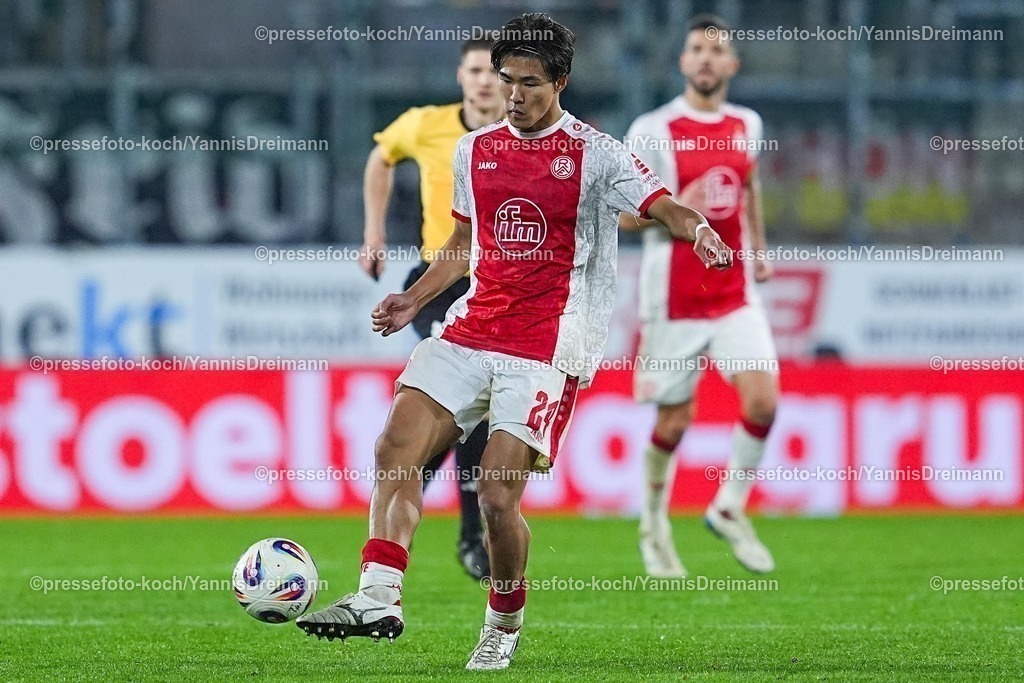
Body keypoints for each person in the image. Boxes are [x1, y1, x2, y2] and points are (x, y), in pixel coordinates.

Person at [298, 13, 731, 671]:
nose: (515, 95)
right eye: (507, 82)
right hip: (473, 326)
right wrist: (413, 299)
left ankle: (503, 621)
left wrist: (695, 228)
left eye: (530, 83)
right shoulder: (475, 150)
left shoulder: (597, 152)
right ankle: (378, 596)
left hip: (548, 345)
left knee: (496, 494)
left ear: (559, 81)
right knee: (394, 446)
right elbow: (464, 243)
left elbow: (662, 203)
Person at [620, 14, 779, 578]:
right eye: (696, 50)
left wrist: (758, 248)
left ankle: (730, 505)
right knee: (674, 422)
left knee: (762, 401)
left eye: (717, 51)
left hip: (734, 293)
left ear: (732, 64)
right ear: (683, 62)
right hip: (674, 297)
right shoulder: (653, 129)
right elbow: (621, 216)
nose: (706, 59)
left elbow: (748, 186)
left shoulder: (747, 123)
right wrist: (676, 207)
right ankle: (654, 526)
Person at [360, 38, 503, 580]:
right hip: (436, 284)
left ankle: (417, 488)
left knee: (475, 411)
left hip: (495, 287)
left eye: (494, 72)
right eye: (475, 71)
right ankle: (453, 524)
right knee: (461, 384)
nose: (485, 81)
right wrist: (373, 232)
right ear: (460, 76)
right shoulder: (426, 124)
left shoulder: (520, 137)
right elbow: (381, 156)